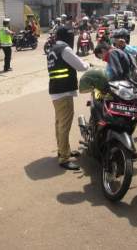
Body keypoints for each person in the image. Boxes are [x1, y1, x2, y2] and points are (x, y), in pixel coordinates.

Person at [47, 26, 90, 170]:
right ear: (67, 37)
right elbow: (80, 66)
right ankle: (64, 158)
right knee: (64, 125)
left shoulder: (53, 49)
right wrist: (87, 64)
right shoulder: (65, 49)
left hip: (55, 91)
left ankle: (63, 150)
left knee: (59, 124)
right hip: (64, 92)